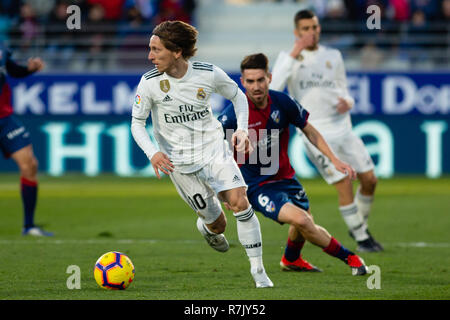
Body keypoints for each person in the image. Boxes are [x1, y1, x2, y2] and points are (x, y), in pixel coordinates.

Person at [130, 20, 273, 288]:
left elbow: (238, 96)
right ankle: (207, 226)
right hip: (179, 164)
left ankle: (258, 271)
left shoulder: (207, 73)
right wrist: (152, 153)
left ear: (176, 51)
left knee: (240, 201)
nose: (150, 56)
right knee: (218, 224)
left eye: (156, 50)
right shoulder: (149, 83)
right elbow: (137, 123)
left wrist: (242, 130)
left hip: (213, 150)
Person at [219, 53, 369, 275]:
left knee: (303, 222)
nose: (256, 86)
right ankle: (352, 259)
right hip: (256, 185)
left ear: (269, 78)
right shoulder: (233, 115)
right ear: (242, 82)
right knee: (302, 220)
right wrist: (225, 192)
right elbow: (214, 152)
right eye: (250, 81)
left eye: (261, 80)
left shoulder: (282, 102)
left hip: (287, 178)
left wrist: (335, 160)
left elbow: (309, 130)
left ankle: (291, 260)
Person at [270, 9, 383, 252]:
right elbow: (274, 88)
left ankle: (357, 225)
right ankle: (363, 239)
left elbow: (343, 89)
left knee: (370, 180)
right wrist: (293, 53)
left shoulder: (333, 55)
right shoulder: (288, 58)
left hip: (344, 127)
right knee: (344, 183)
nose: (312, 33)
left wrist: (348, 102)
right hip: (317, 132)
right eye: (306, 29)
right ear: (296, 32)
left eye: (315, 27)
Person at [0, 42, 52, 236]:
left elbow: (12, 70)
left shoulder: (2, 47)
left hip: (4, 118)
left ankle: (28, 226)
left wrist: (29, 69)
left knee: (29, 164)